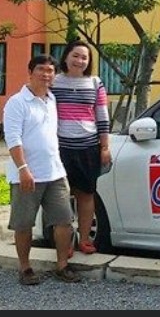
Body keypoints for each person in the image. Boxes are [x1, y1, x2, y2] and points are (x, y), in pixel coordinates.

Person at [4, 54, 81, 285]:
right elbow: (13, 138)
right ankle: (25, 268)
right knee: (24, 223)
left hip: (55, 172)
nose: (46, 75)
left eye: (50, 71)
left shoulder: (52, 99)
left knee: (64, 221)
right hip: (27, 174)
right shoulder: (17, 102)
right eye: (41, 69)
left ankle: (62, 265)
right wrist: (23, 168)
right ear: (30, 72)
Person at [50, 40, 110, 255]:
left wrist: (105, 146)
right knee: (61, 196)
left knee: (86, 194)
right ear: (66, 57)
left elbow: (102, 115)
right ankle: (65, 243)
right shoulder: (54, 82)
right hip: (60, 147)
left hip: (88, 147)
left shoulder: (95, 82)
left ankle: (84, 240)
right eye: (75, 56)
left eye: (84, 57)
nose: (80, 61)